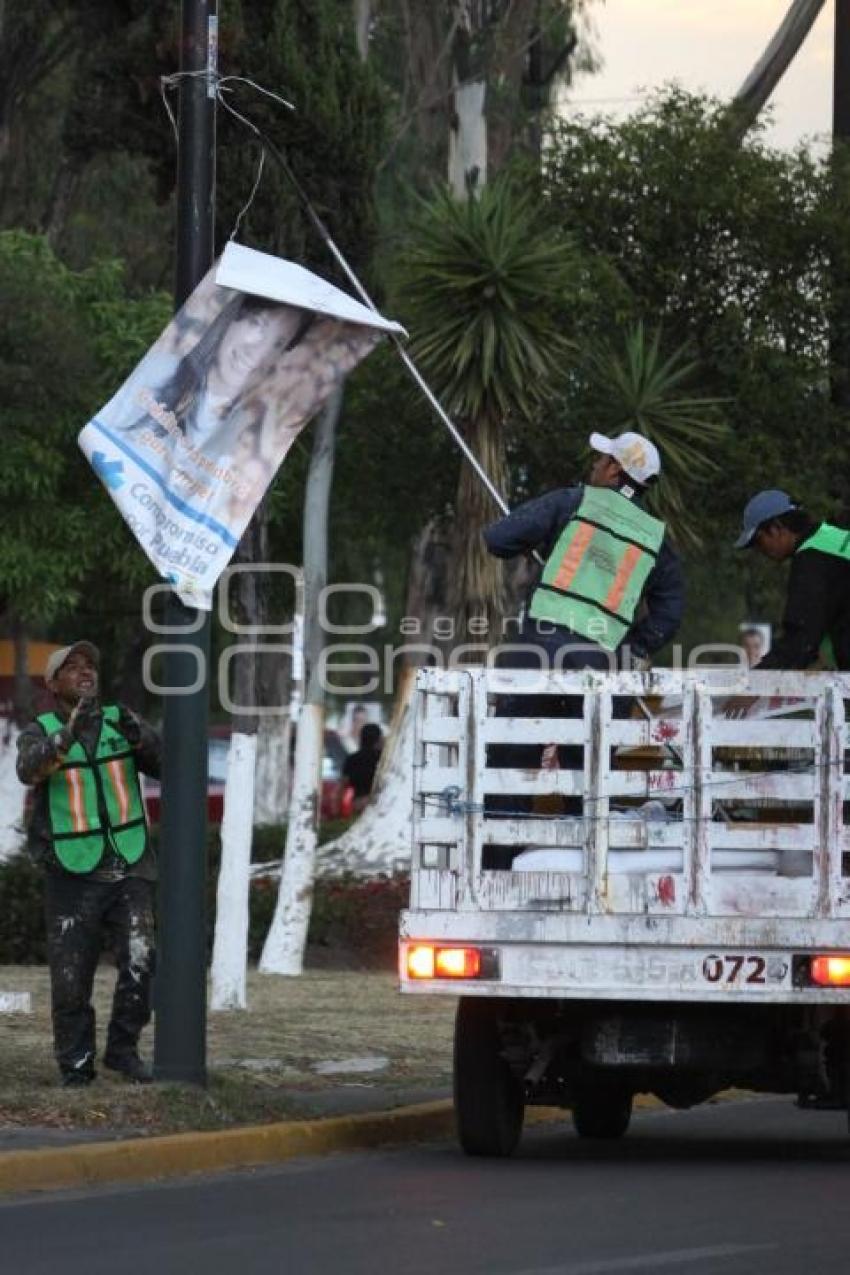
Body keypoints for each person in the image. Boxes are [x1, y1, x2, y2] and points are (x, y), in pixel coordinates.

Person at [481, 431, 684, 846]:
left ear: (613, 469)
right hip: (602, 663)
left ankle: (496, 869)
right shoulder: (655, 537)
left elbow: (498, 539)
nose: (594, 466)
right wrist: (636, 647)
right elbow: (669, 610)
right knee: (591, 778)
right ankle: (589, 874)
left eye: (601, 460)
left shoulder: (573, 502)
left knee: (510, 764)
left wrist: (539, 541)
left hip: (539, 651)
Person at [16, 642, 161, 1086]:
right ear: (53, 683)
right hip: (71, 872)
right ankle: (77, 1067)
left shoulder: (122, 720)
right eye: (72, 667)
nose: (84, 672)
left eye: (90, 666)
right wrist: (68, 734)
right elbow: (29, 770)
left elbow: (163, 763)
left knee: (141, 960)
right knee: (71, 979)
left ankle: (123, 1050)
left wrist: (144, 737)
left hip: (130, 862)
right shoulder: (39, 730)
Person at [732, 490, 850, 670]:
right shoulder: (833, 538)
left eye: (758, 541)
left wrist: (751, 688)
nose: (759, 550)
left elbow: (801, 642)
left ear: (776, 529)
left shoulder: (812, 559)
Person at [342, 722, 383, 814]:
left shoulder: (352, 759)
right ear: (378, 739)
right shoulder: (383, 761)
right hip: (377, 803)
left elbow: (343, 784)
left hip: (357, 804)